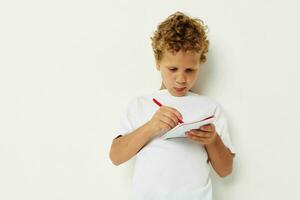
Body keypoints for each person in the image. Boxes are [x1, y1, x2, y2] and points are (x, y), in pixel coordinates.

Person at [109, 11, 236, 200]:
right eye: (173, 69)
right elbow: (116, 157)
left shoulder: (209, 108)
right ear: (157, 62)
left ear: (200, 63)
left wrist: (213, 140)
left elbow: (225, 170)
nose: (181, 79)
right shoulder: (139, 105)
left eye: (190, 70)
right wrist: (151, 127)